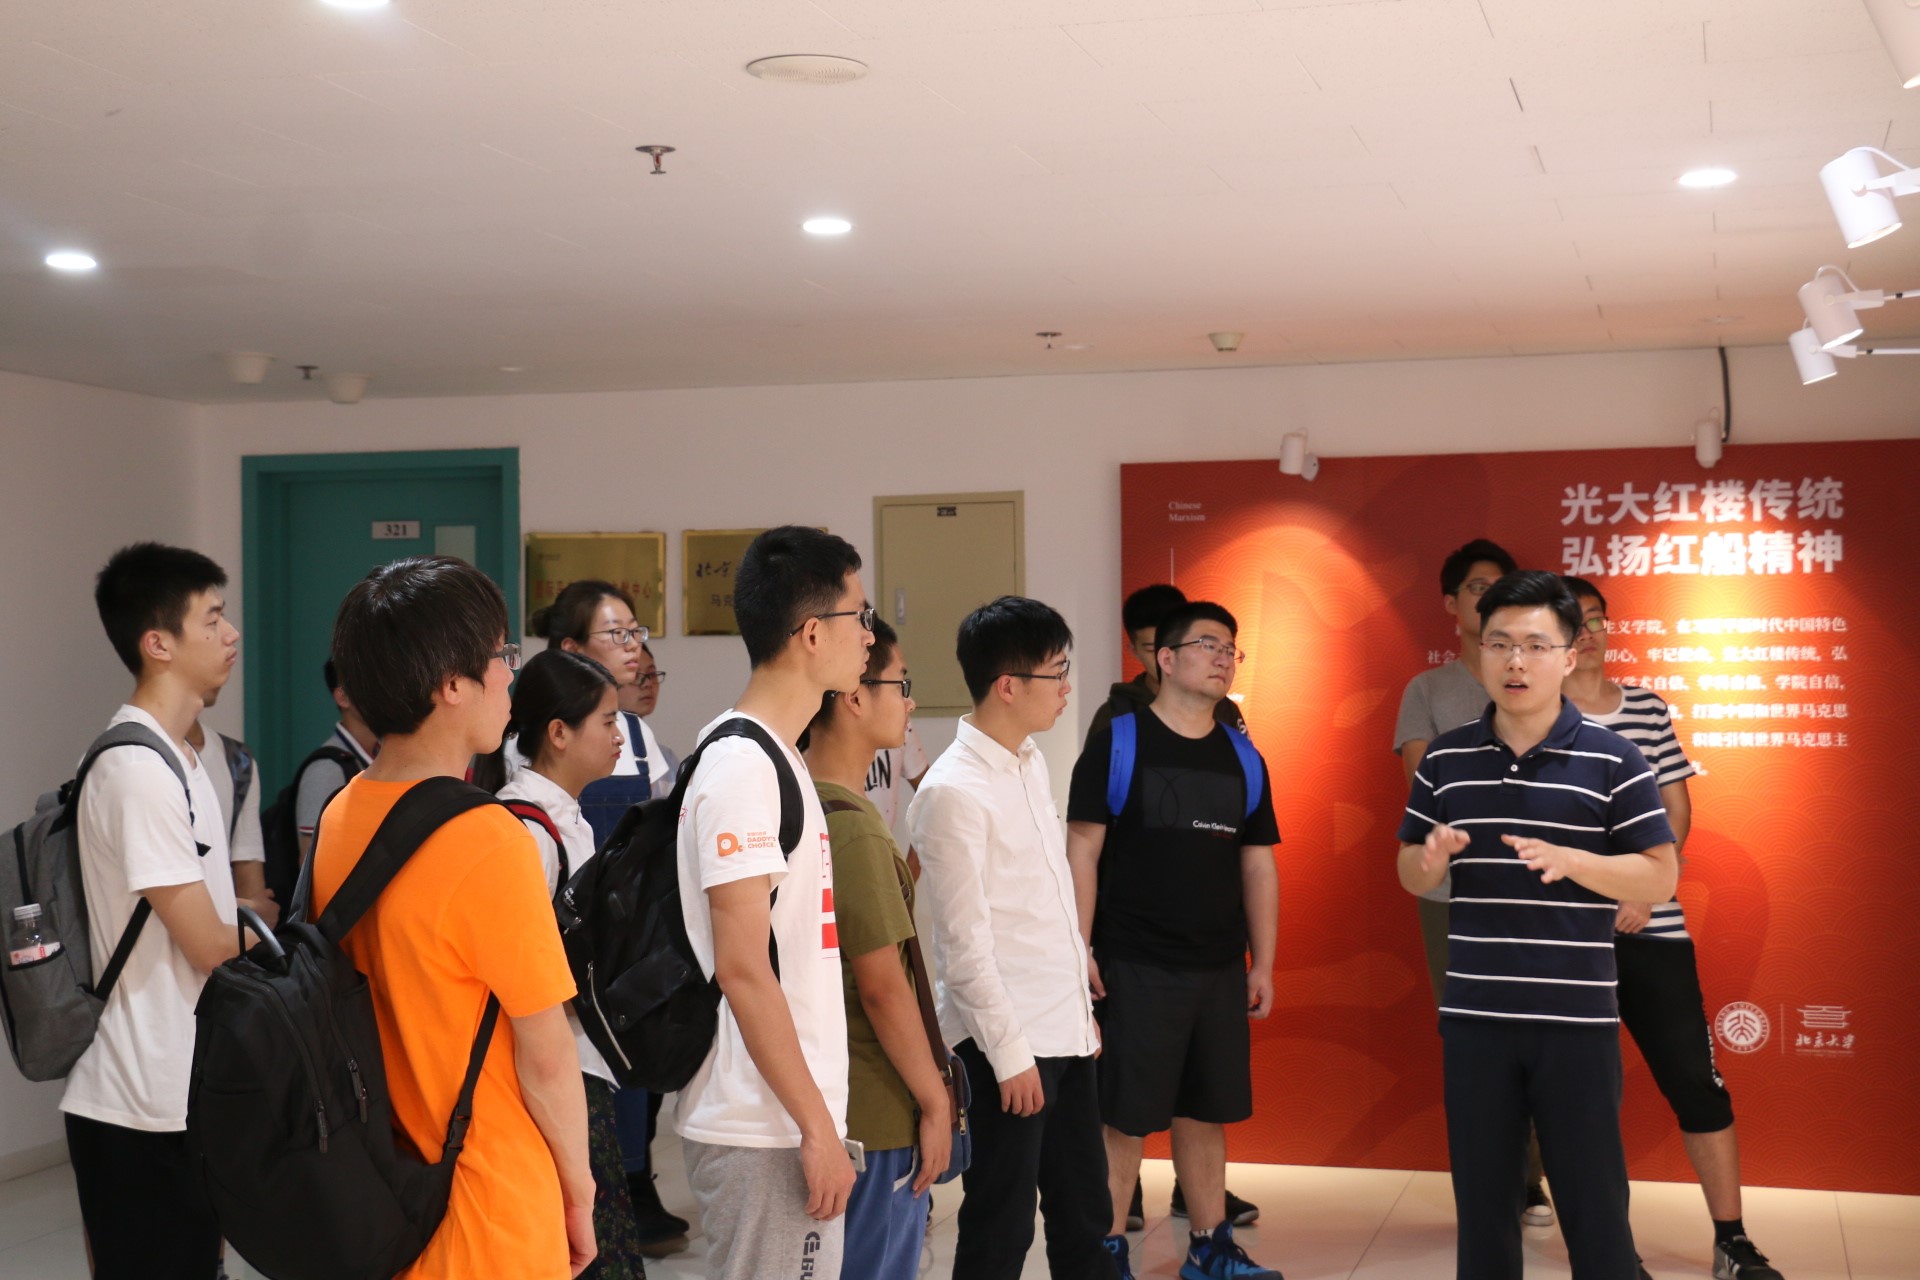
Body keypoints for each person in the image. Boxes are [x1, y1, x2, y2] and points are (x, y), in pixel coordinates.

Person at [313, 555, 595, 1279]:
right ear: (451, 684)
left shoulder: (341, 814)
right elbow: (546, 1056)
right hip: (485, 1204)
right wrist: (579, 1192)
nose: (510, 675)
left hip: (380, 1198)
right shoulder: (486, 838)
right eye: (500, 655)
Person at [1396, 570, 1679, 1280]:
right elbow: (1409, 871)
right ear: (1479, 650)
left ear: (1569, 655)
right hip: (1476, 1018)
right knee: (1484, 1207)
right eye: (1499, 644)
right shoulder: (1447, 759)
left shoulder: (1615, 758)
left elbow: (1660, 876)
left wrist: (1574, 860)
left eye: (1534, 645)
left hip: (1575, 1020)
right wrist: (1428, 861)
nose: (1515, 661)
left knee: (1594, 1205)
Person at [1560, 578, 1784, 1280]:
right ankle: (1608, 1248)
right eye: (1573, 622)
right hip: (1569, 938)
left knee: (1696, 1081)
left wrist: (1645, 885)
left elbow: (1674, 811)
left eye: (1596, 619)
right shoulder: (1534, 713)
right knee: (1583, 1095)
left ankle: (1732, 1241)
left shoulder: (1648, 709)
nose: (1587, 633)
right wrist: (1604, 893)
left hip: (1653, 927)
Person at [1066, 601, 1283, 1280]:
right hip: (1134, 962)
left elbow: (1258, 863)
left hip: (1218, 966)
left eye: (1231, 649)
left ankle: (1211, 1248)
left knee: (1205, 1111)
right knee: (1124, 1118)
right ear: (1165, 658)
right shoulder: (1119, 741)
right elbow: (1081, 850)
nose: (1223, 658)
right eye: (1208, 644)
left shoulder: (1242, 754)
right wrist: (1080, 947)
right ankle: (1104, 1253)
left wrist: (1263, 962)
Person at [673, 525, 867, 1280]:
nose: (869, 636)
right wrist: (815, 1127)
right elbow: (743, 968)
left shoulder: (775, 756)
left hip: (784, 1115)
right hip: (760, 1124)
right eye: (860, 616)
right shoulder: (741, 768)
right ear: (813, 633)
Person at [908, 596, 1117, 1280]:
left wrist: (1079, 1002)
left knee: (1086, 1216)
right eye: (1056, 673)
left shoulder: (1029, 761)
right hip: (1005, 1043)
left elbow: (1042, 901)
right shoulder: (951, 791)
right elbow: (962, 947)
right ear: (1007, 685)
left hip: (1064, 1032)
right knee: (1001, 1225)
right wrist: (1008, 1056)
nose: (1066, 688)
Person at [63, 543, 255, 1280]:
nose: (230, 634)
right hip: (138, 1100)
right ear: (158, 644)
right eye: (212, 618)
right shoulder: (137, 769)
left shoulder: (181, 758)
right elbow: (209, 944)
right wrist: (293, 935)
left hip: (181, 1087)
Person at [1389, 539, 1554, 1226]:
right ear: (1451, 603)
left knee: (1541, 1032)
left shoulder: (1541, 680)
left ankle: (1531, 1179)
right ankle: (1490, 1181)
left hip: (1542, 887)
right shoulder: (1428, 691)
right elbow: (1427, 793)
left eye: (1501, 587)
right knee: (1472, 1037)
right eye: (1478, 587)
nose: (1490, 599)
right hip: (1451, 891)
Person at [481, 647, 651, 1280]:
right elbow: (523, 976)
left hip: (582, 1064)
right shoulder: (524, 829)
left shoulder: (565, 817)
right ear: (558, 733)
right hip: (556, 1073)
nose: (620, 735)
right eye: (607, 721)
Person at [531, 583, 688, 1252]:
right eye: (616, 634)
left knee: (633, 1090)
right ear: (571, 648)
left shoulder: (640, 737)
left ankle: (634, 1183)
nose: (634, 648)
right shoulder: (527, 780)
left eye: (636, 632)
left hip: (627, 952)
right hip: (562, 971)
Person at [802, 620, 951, 1280]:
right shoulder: (855, 831)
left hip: (837, 1099)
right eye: (901, 684)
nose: (910, 702)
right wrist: (936, 1101)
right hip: (875, 1108)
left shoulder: (801, 805)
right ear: (855, 698)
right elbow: (884, 987)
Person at [1088, 584, 1247, 740]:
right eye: (1152, 649)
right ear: (1134, 650)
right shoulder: (1116, 714)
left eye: (1228, 651)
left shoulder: (1224, 709)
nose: (1163, 657)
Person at [187, 692, 277, 930]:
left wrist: (251, 917)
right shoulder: (135, 756)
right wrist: (245, 907)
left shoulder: (237, 760)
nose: (226, 675)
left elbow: (247, 867)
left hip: (221, 943)